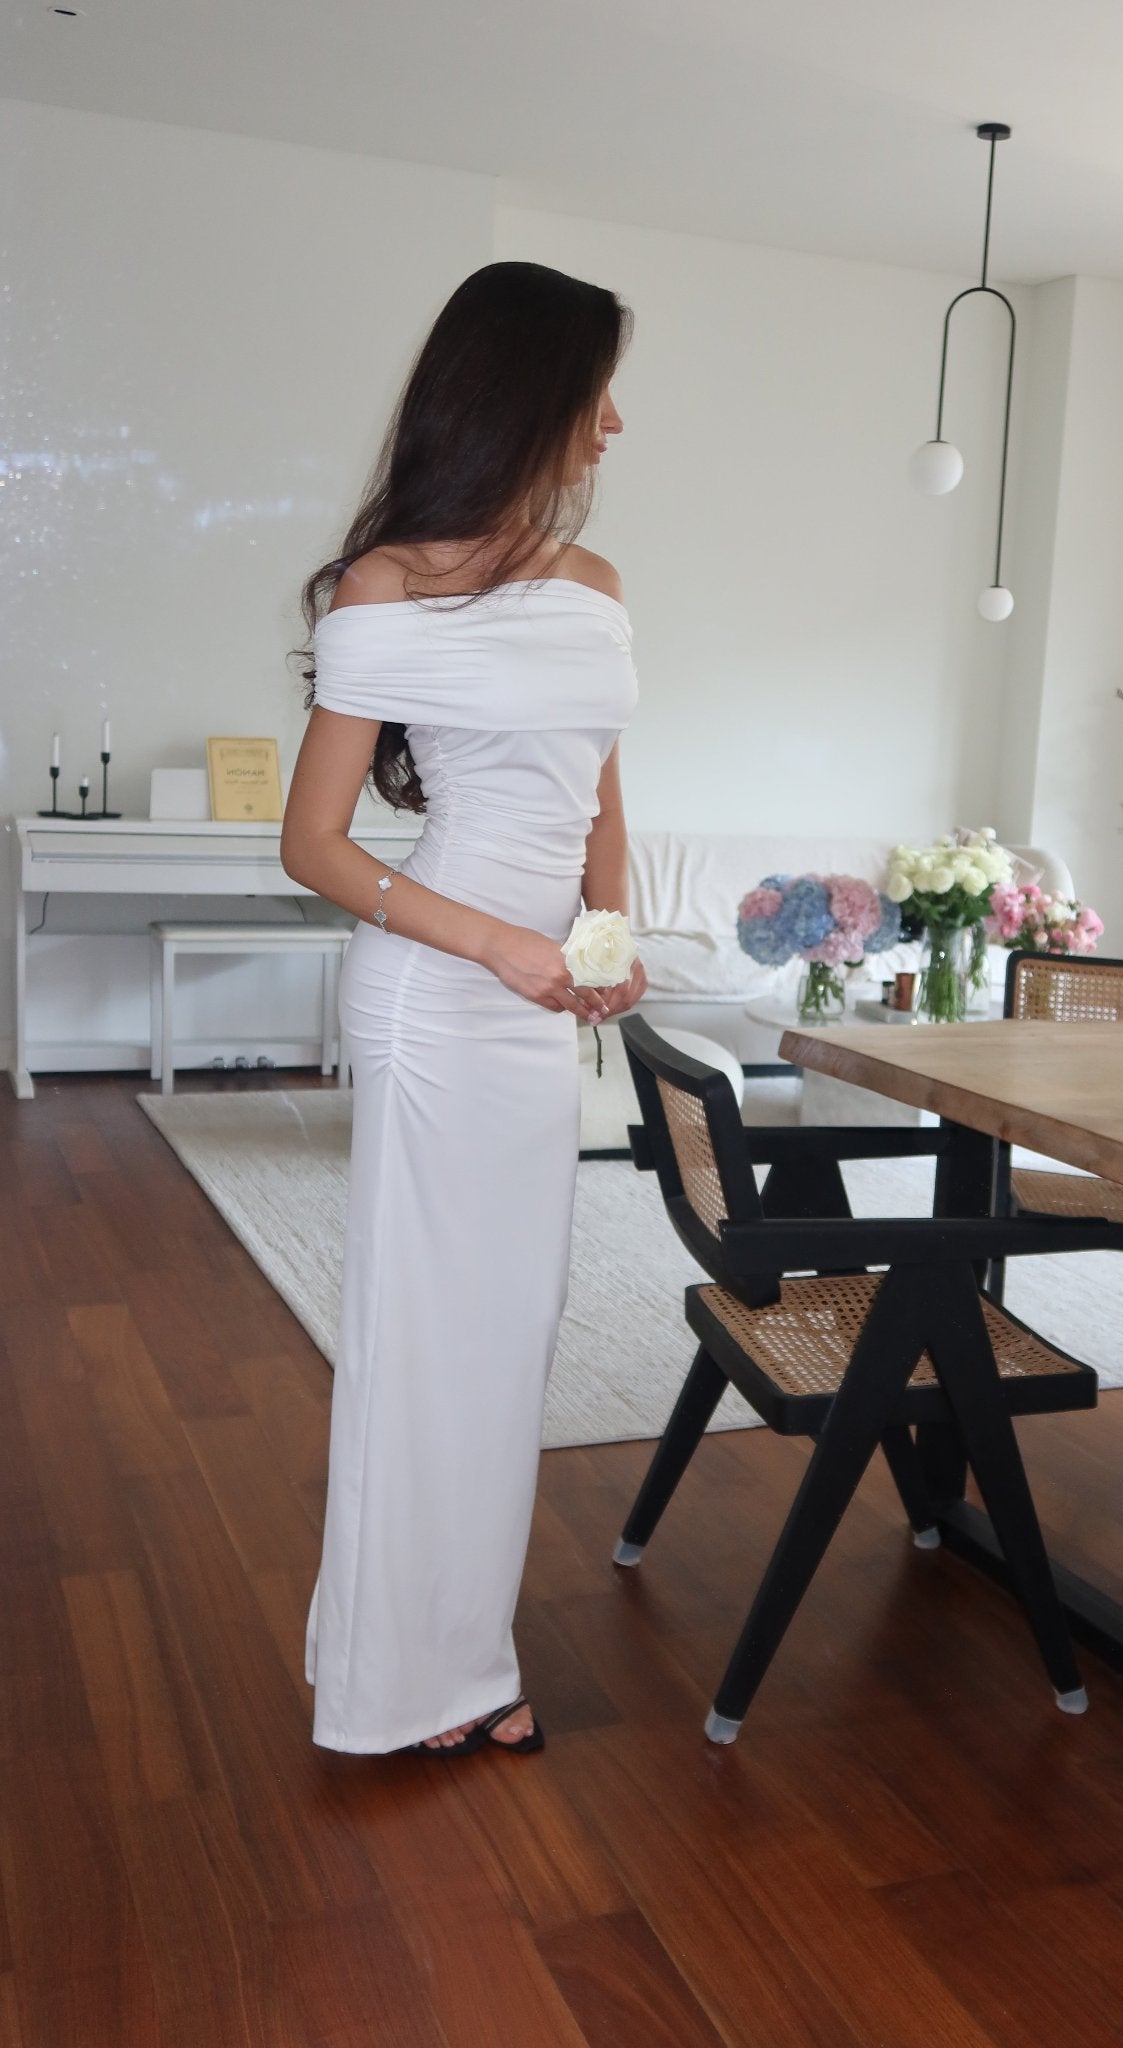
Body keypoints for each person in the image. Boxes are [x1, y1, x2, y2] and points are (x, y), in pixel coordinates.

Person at [281, 261, 646, 1757]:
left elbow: (602, 799)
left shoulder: (597, 591)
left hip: (533, 1000)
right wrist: (498, 943)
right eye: (595, 391)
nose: (614, 424)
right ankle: (410, 1689)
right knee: (426, 1342)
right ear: (526, 396)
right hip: (437, 998)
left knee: (507, 1336)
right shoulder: (387, 587)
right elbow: (312, 844)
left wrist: (602, 942)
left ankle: (454, 1660)